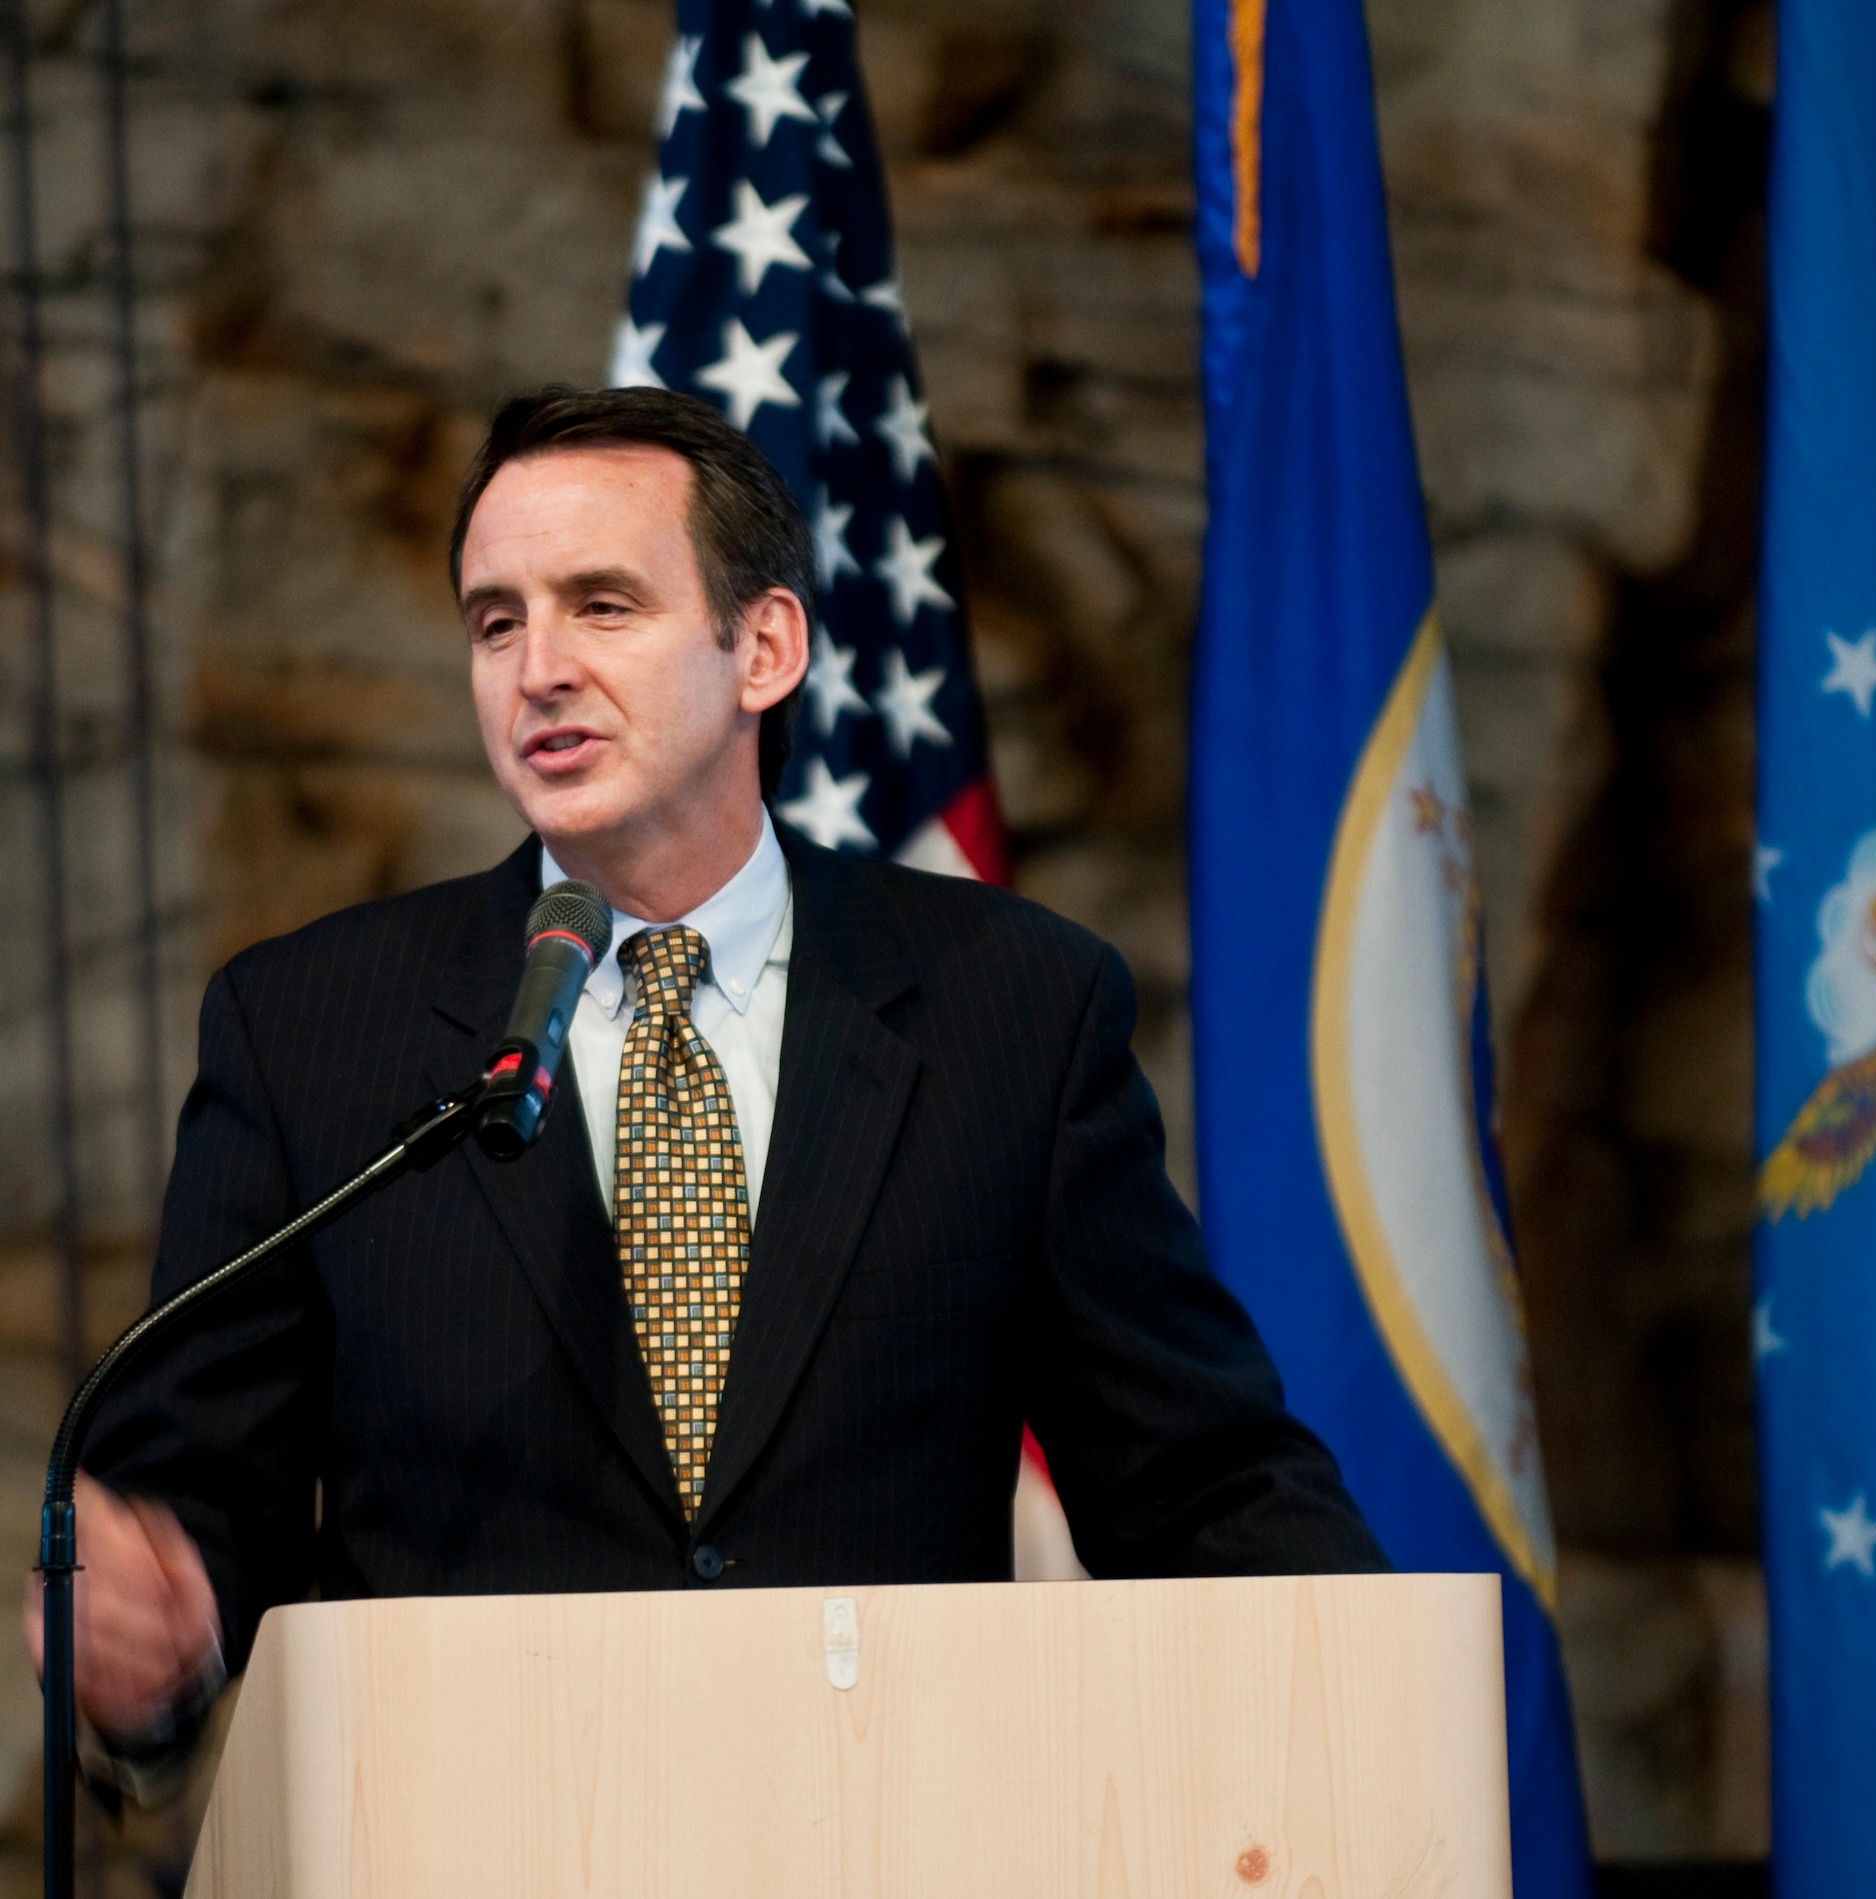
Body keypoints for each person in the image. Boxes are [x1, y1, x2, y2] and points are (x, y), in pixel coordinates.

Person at [25, 386, 1386, 1771]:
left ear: (765, 647)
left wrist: (1381, 1718)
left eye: (601, 606)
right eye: (497, 622)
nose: (537, 666)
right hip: (466, 1833)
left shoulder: (1012, 1008)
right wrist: (158, 1627)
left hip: (894, 1829)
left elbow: (1195, 1480)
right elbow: (193, 1503)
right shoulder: (310, 1026)